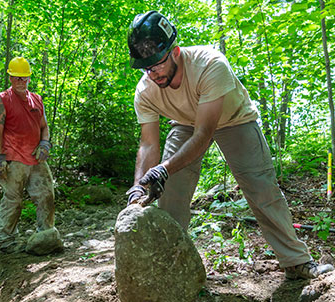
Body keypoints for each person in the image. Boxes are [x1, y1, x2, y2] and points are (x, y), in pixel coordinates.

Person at [126, 11, 334, 280]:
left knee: (261, 188)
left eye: (156, 65)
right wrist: (139, 185)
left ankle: (296, 261)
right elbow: (147, 144)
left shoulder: (210, 65)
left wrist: (164, 168)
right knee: (171, 194)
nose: (151, 74)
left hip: (234, 119)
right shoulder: (145, 90)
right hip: (185, 122)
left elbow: (203, 135)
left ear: (175, 52)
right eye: (145, 68)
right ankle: (172, 270)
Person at [0, 57, 55, 253]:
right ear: (10, 77)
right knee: (13, 200)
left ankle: (46, 236)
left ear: (29, 78)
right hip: (13, 158)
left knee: (46, 195)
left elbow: (44, 127)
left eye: (24, 78)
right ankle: (7, 241)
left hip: (36, 158)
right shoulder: (2, 99)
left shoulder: (36, 99)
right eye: (17, 77)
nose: (21, 81)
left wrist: (45, 143)